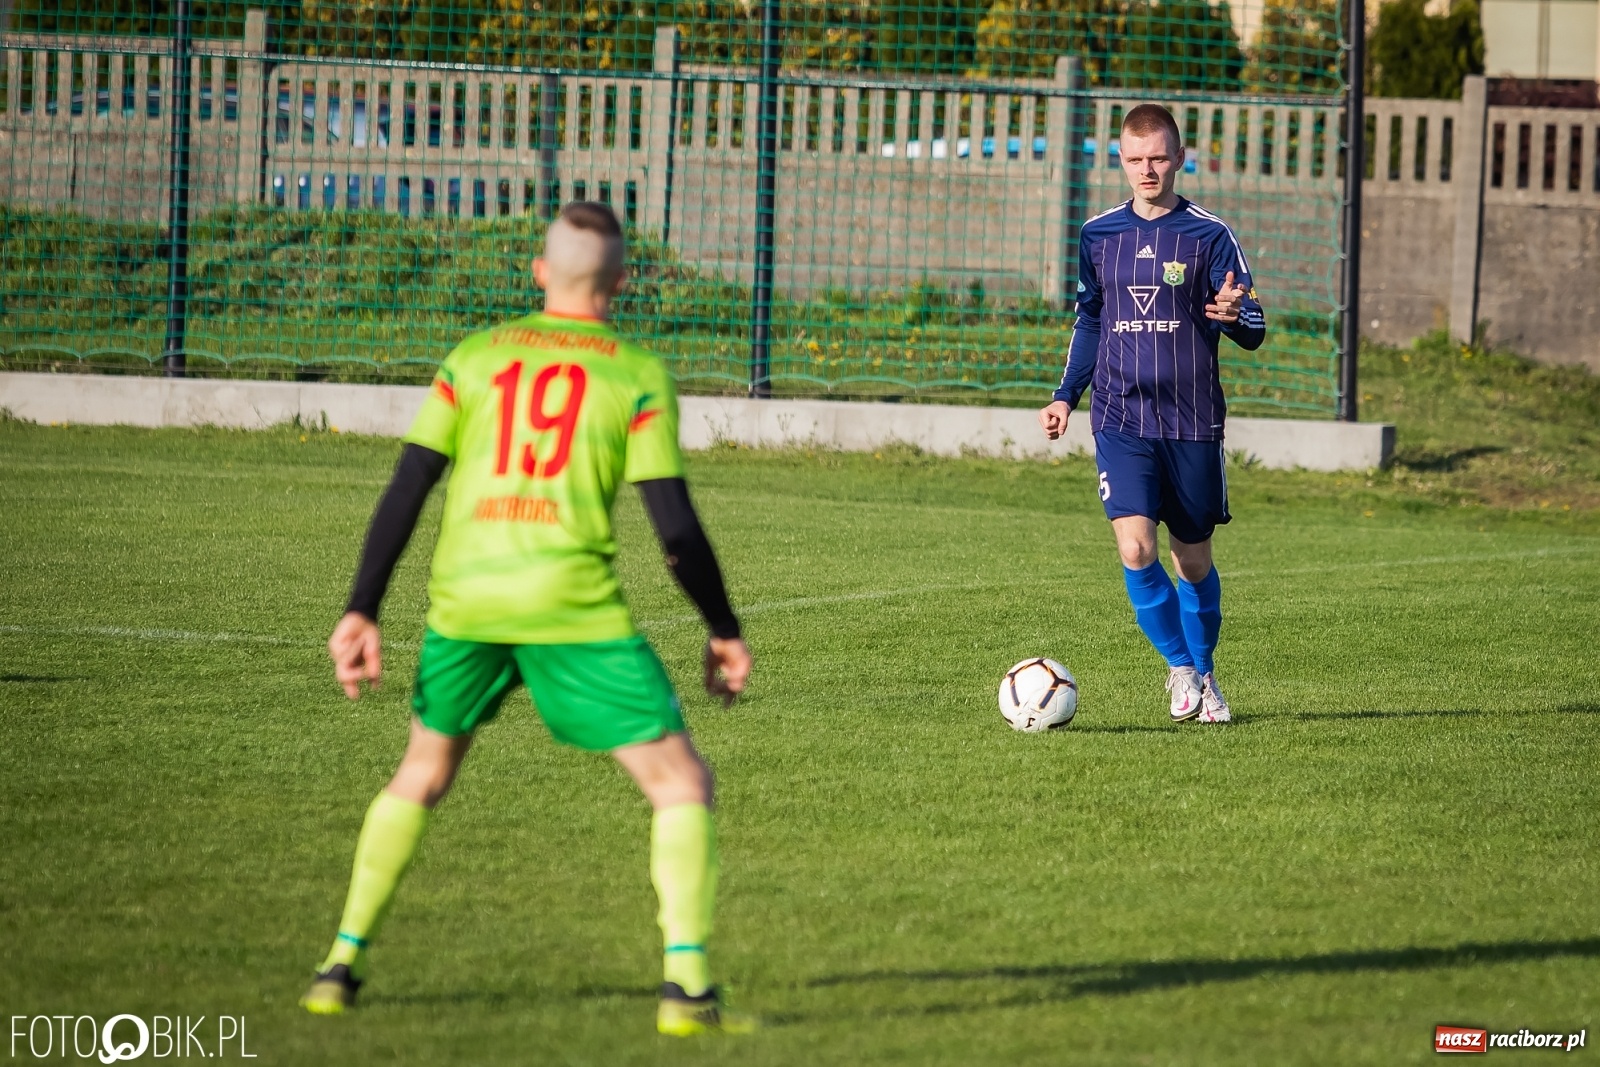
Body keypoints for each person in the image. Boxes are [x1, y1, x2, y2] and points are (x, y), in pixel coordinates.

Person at [300, 201, 756, 1036]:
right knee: (681, 784)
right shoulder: (634, 372)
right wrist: (723, 628)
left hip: (465, 603)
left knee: (422, 773)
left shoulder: (473, 358)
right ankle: (687, 991)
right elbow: (676, 529)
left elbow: (408, 487)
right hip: (571, 609)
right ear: (621, 282)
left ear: (540, 272)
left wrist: (361, 607)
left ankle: (340, 963)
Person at [1038, 104, 1266, 724]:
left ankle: (1207, 671)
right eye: (1136, 159)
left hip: (1192, 422)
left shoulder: (1209, 235)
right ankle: (1180, 670)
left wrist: (1234, 315)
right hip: (1120, 417)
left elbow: (1255, 324)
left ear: (1179, 157)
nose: (1148, 170)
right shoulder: (1098, 235)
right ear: (1121, 160)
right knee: (1137, 548)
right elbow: (1089, 320)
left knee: (1191, 560)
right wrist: (1066, 395)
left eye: (1159, 158)